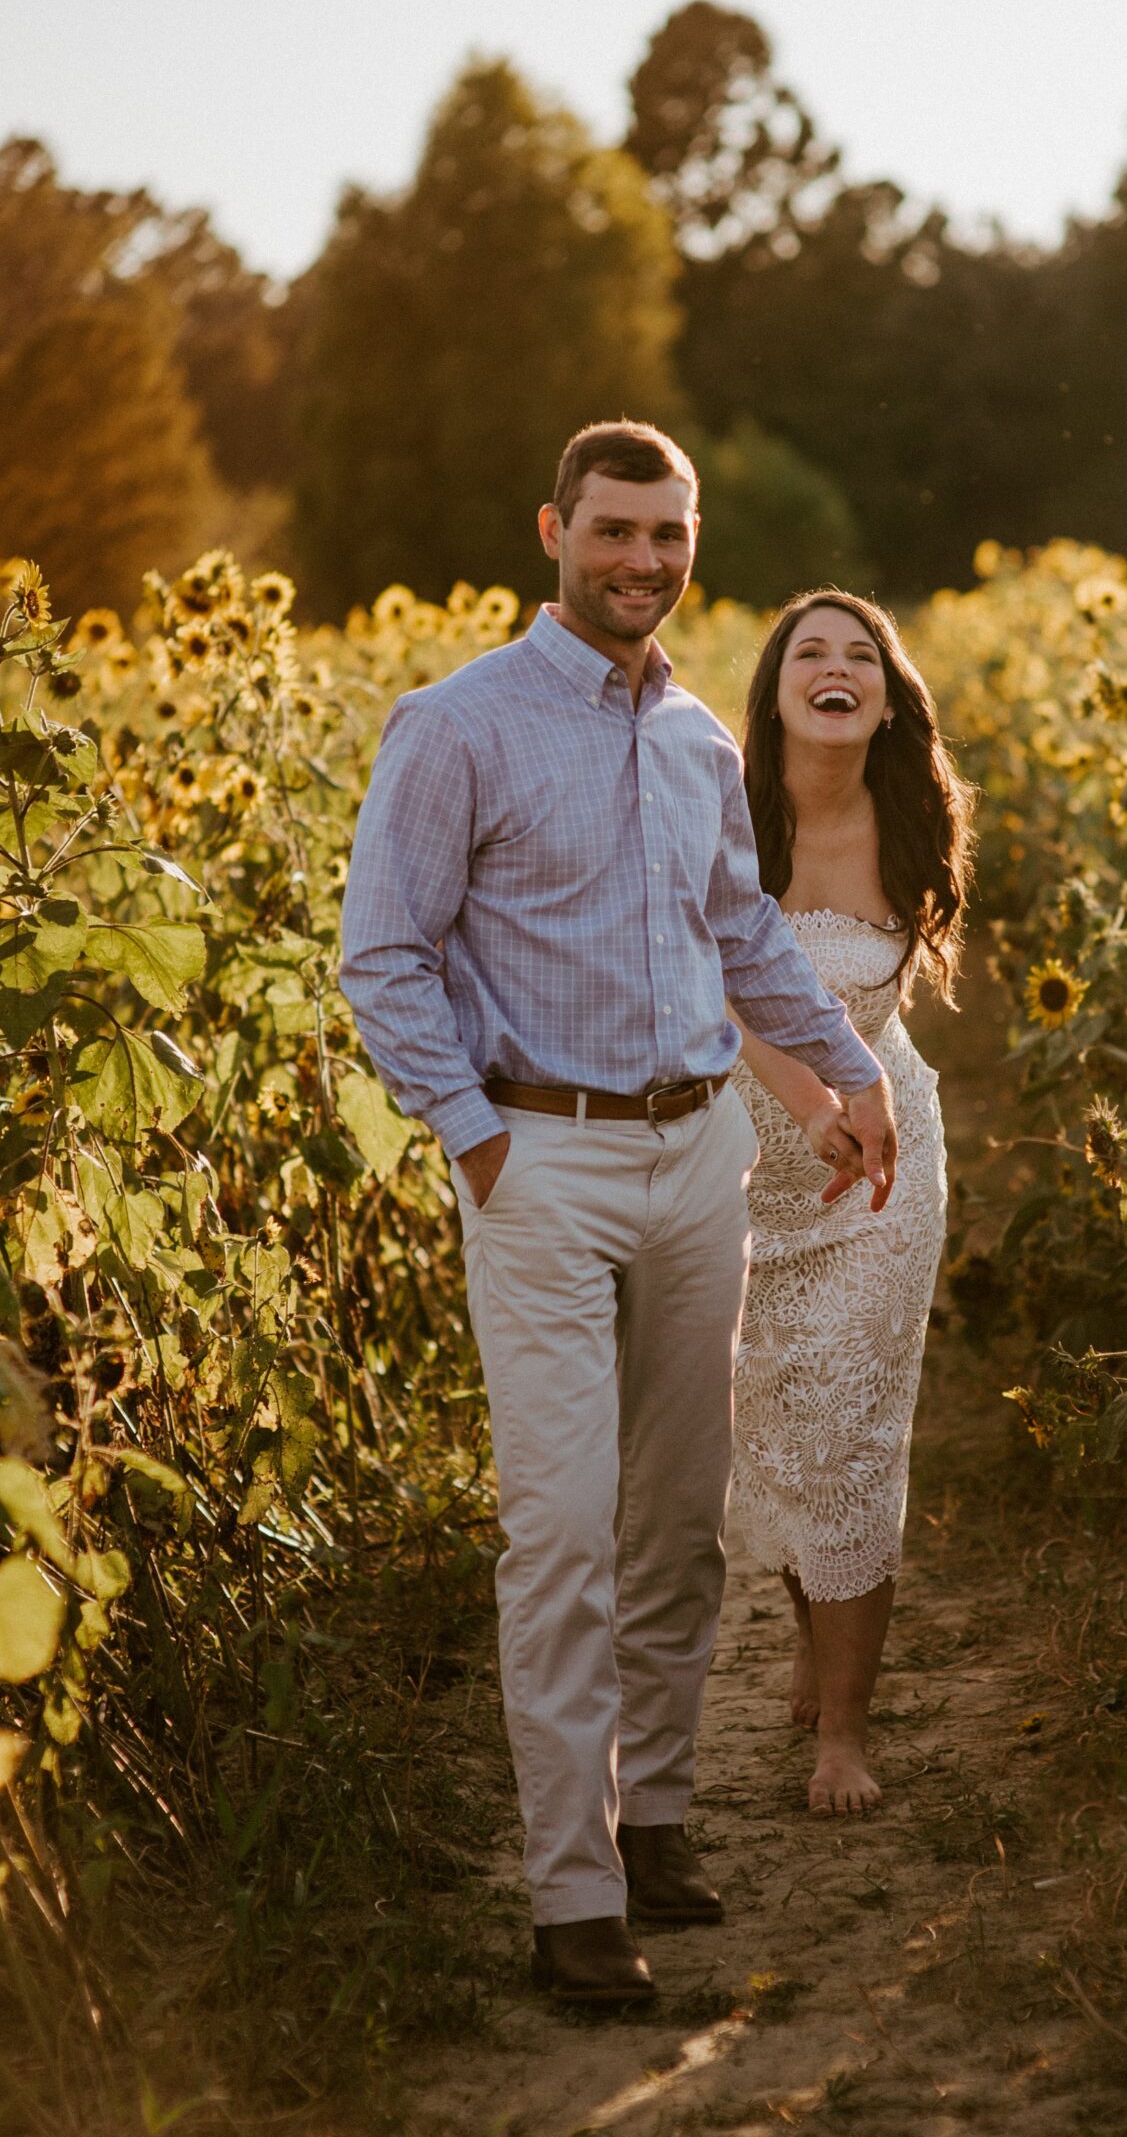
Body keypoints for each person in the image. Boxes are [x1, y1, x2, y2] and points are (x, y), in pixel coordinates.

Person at [339, 426, 898, 2008]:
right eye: (614, 530)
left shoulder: (699, 743)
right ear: (554, 531)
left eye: (669, 533)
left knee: (677, 1524)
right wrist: (475, 1141)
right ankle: (572, 1899)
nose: (643, 559)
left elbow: (743, 935)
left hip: (694, 1150)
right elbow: (381, 951)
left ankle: (653, 1815)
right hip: (542, 1160)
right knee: (565, 1532)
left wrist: (847, 1069)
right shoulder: (457, 726)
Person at [728, 591, 973, 1815]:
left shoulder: (914, 819)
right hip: (751, 1167)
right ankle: (811, 1634)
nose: (835, 668)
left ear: (885, 699)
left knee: (851, 1432)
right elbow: (727, 999)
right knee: (773, 1425)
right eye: (809, 653)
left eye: (859, 656)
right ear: (774, 692)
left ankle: (845, 1732)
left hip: (881, 1164)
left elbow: (884, 1022)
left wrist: (849, 1109)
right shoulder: (729, 817)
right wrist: (812, 1100)